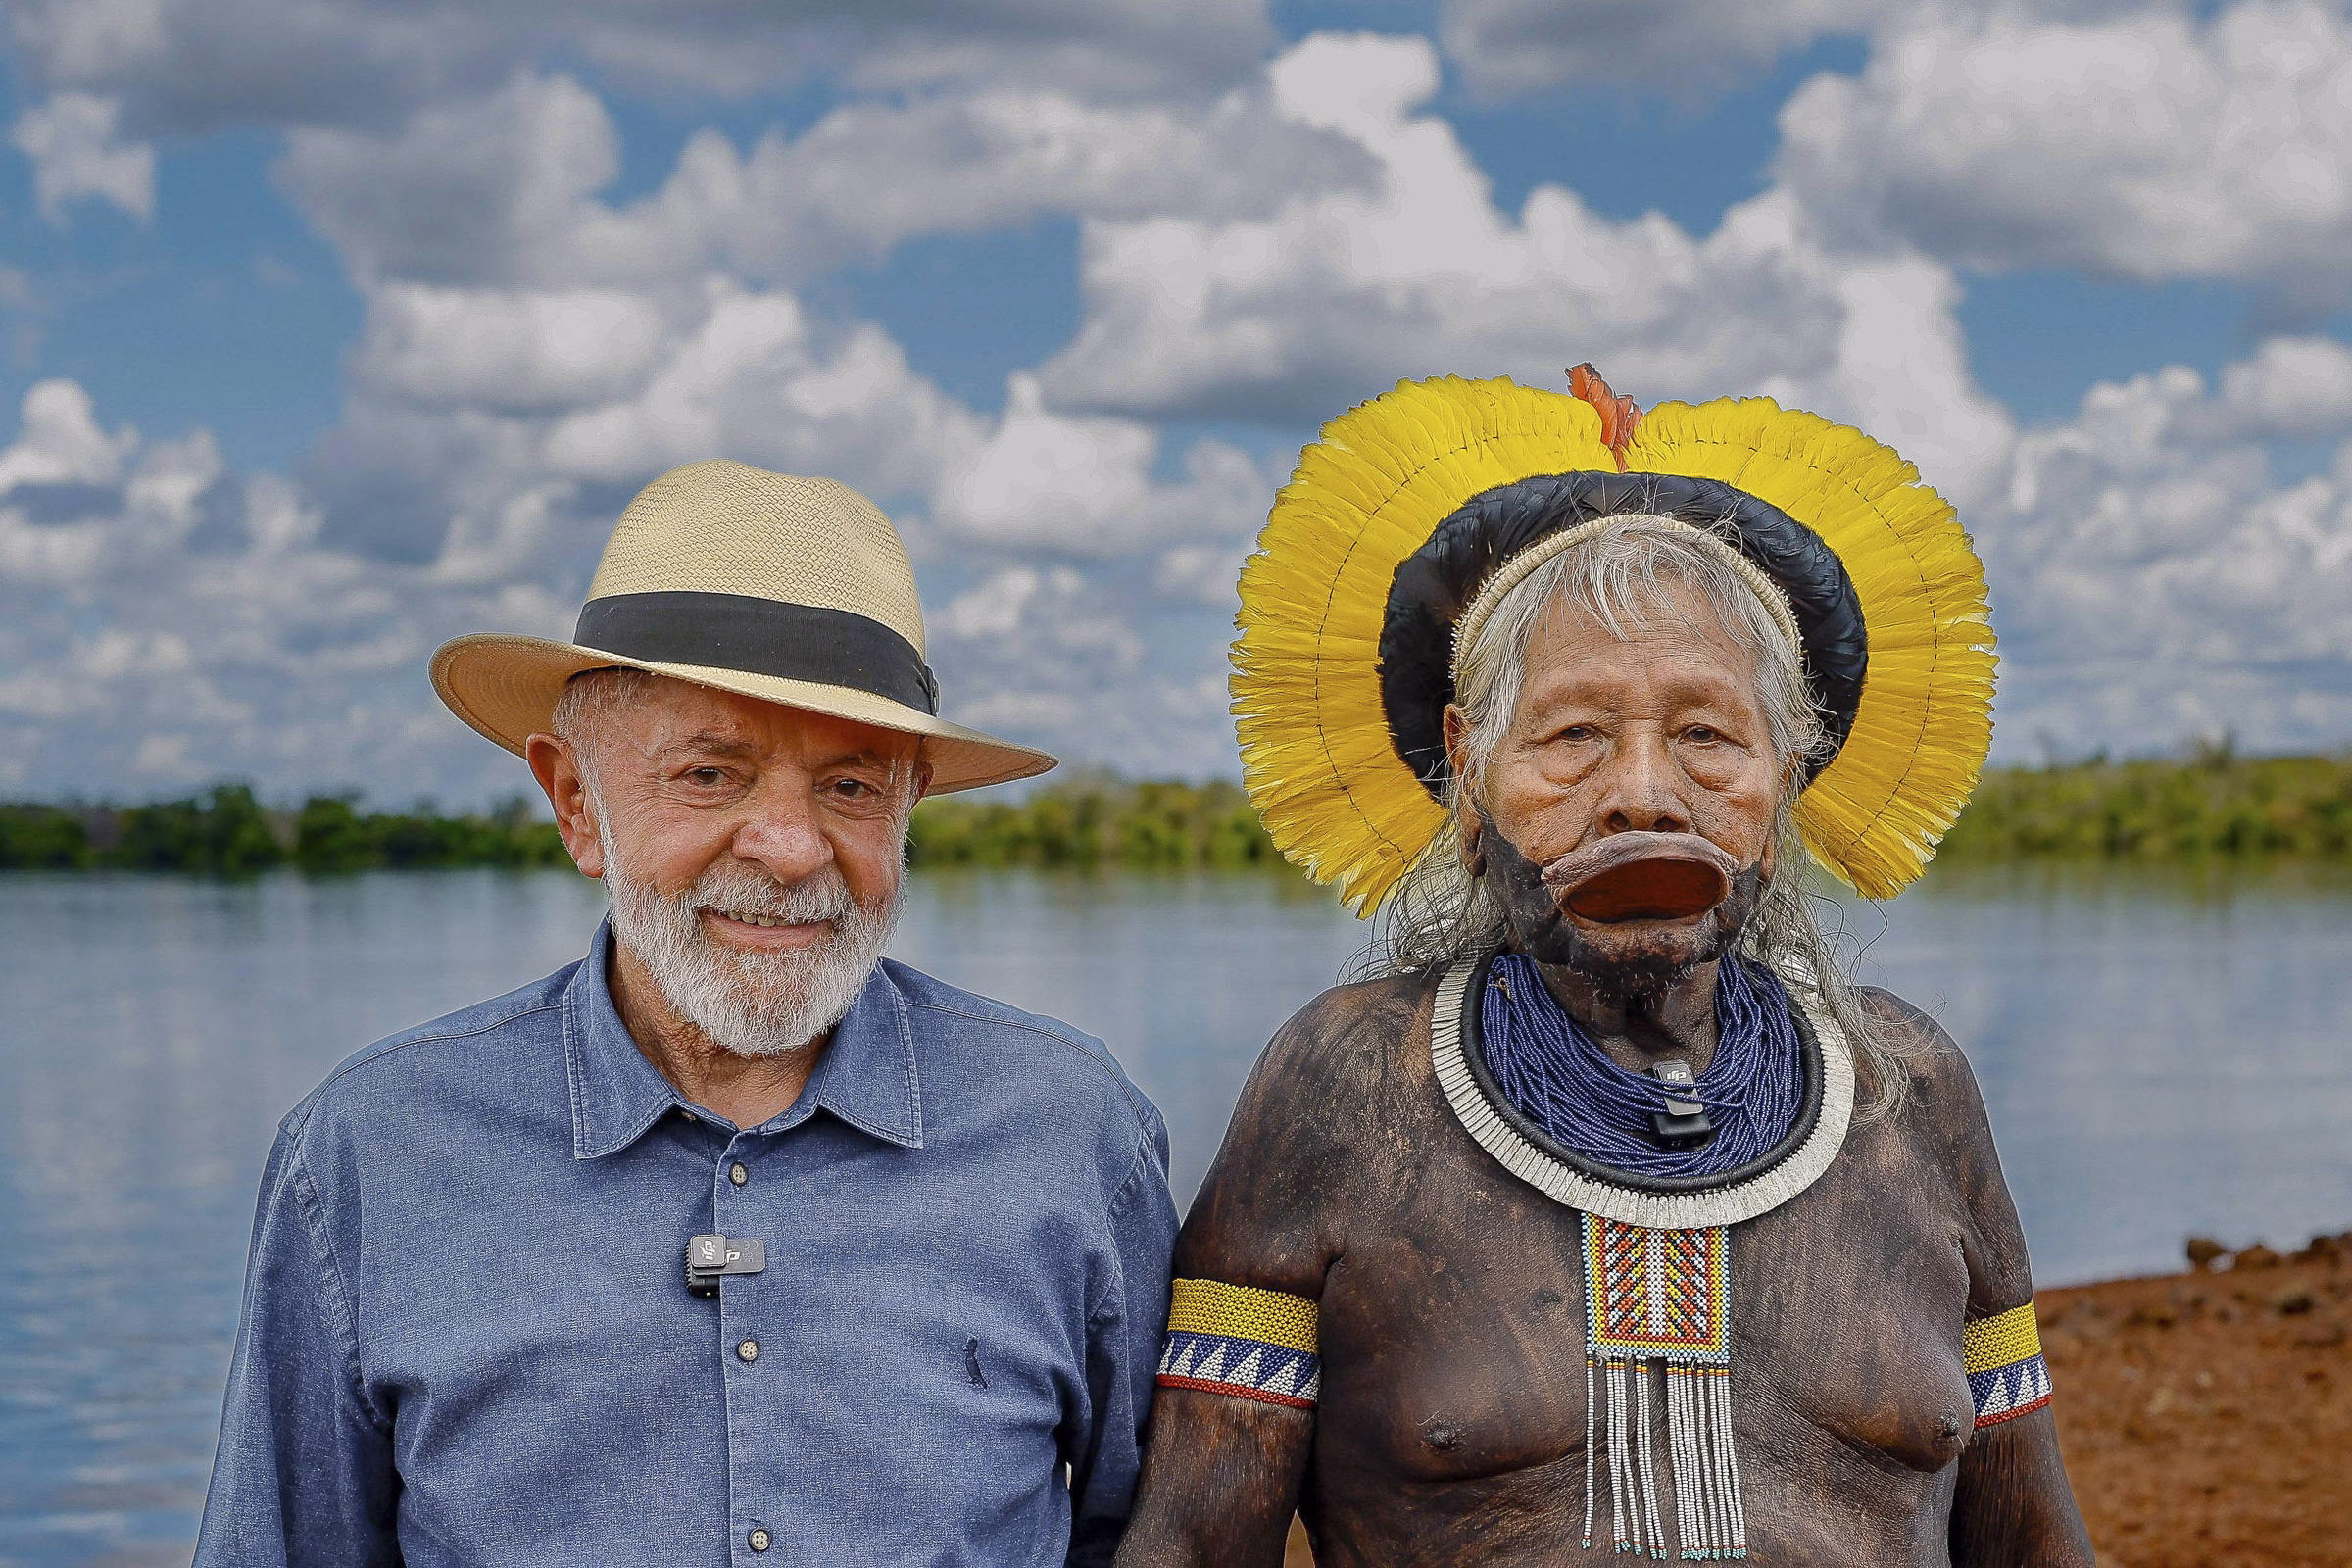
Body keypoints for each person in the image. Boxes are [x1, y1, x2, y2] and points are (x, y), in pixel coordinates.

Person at [1112, 369, 2093, 1565]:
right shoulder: (1345, 1084)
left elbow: (2038, 1545)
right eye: (1574, 735)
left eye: (1706, 736)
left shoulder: (1911, 1090)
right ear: (1470, 777)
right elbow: (1188, 1549)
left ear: (1782, 785)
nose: (1640, 791)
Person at [196, 461, 1177, 1567]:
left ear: (906, 808)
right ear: (576, 803)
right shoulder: (370, 1154)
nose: (793, 849)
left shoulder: (1073, 1134)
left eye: (851, 787)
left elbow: (1153, 1534)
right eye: (711, 775)